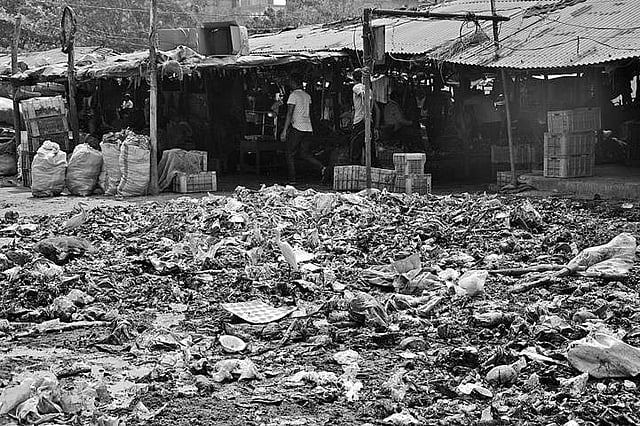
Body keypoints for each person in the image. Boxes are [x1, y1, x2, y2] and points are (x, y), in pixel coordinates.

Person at [280, 73, 326, 184]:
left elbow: (289, 113)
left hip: (298, 127)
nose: (289, 83)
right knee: (304, 154)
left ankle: (292, 179)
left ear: (294, 82)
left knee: (289, 153)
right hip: (308, 128)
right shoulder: (307, 96)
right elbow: (309, 113)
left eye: (290, 81)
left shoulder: (293, 95)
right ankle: (322, 168)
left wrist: (284, 130)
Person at [350, 68, 379, 165]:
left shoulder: (357, 87)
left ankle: (356, 168)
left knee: (356, 149)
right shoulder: (369, 89)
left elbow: (364, 96)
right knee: (369, 147)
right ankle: (373, 166)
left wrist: (365, 115)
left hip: (360, 121)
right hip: (368, 120)